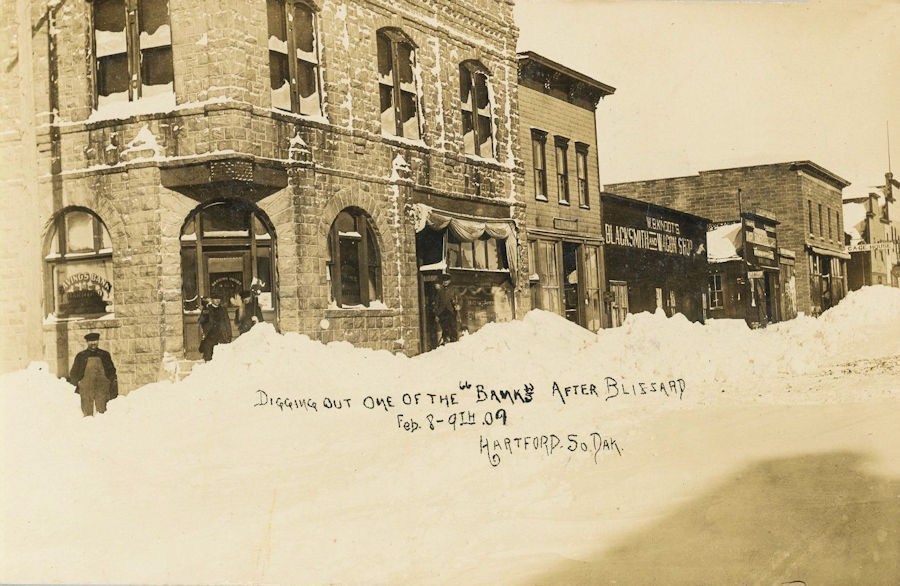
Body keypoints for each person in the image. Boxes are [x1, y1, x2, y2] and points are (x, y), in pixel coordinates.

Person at [68, 332, 117, 417]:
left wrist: (110, 382)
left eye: (95, 340)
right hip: (86, 386)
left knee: (102, 411)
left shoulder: (104, 355)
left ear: (98, 341)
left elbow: (111, 370)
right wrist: (78, 383)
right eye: (90, 341)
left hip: (102, 386)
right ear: (87, 342)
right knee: (87, 411)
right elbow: (74, 372)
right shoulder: (81, 356)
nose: (93, 343)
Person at [198, 296, 232, 361]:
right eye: (216, 298)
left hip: (221, 335)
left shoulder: (223, 309)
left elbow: (227, 323)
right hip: (210, 335)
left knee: (221, 357)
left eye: (219, 298)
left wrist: (229, 334)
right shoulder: (207, 309)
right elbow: (201, 321)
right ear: (212, 299)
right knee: (208, 355)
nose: (217, 300)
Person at [433, 275, 460, 344]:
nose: (445, 282)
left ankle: (454, 341)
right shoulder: (440, 291)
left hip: (451, 311)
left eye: (447, 280)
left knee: (452, 326)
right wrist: (436, 314)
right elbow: (436, 302)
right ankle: (445, 341)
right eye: (444, 280)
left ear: (449, 281)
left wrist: (458, 305)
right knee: (444, 327)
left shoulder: (454, 289)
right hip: (442, 312)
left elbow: (459, 299)